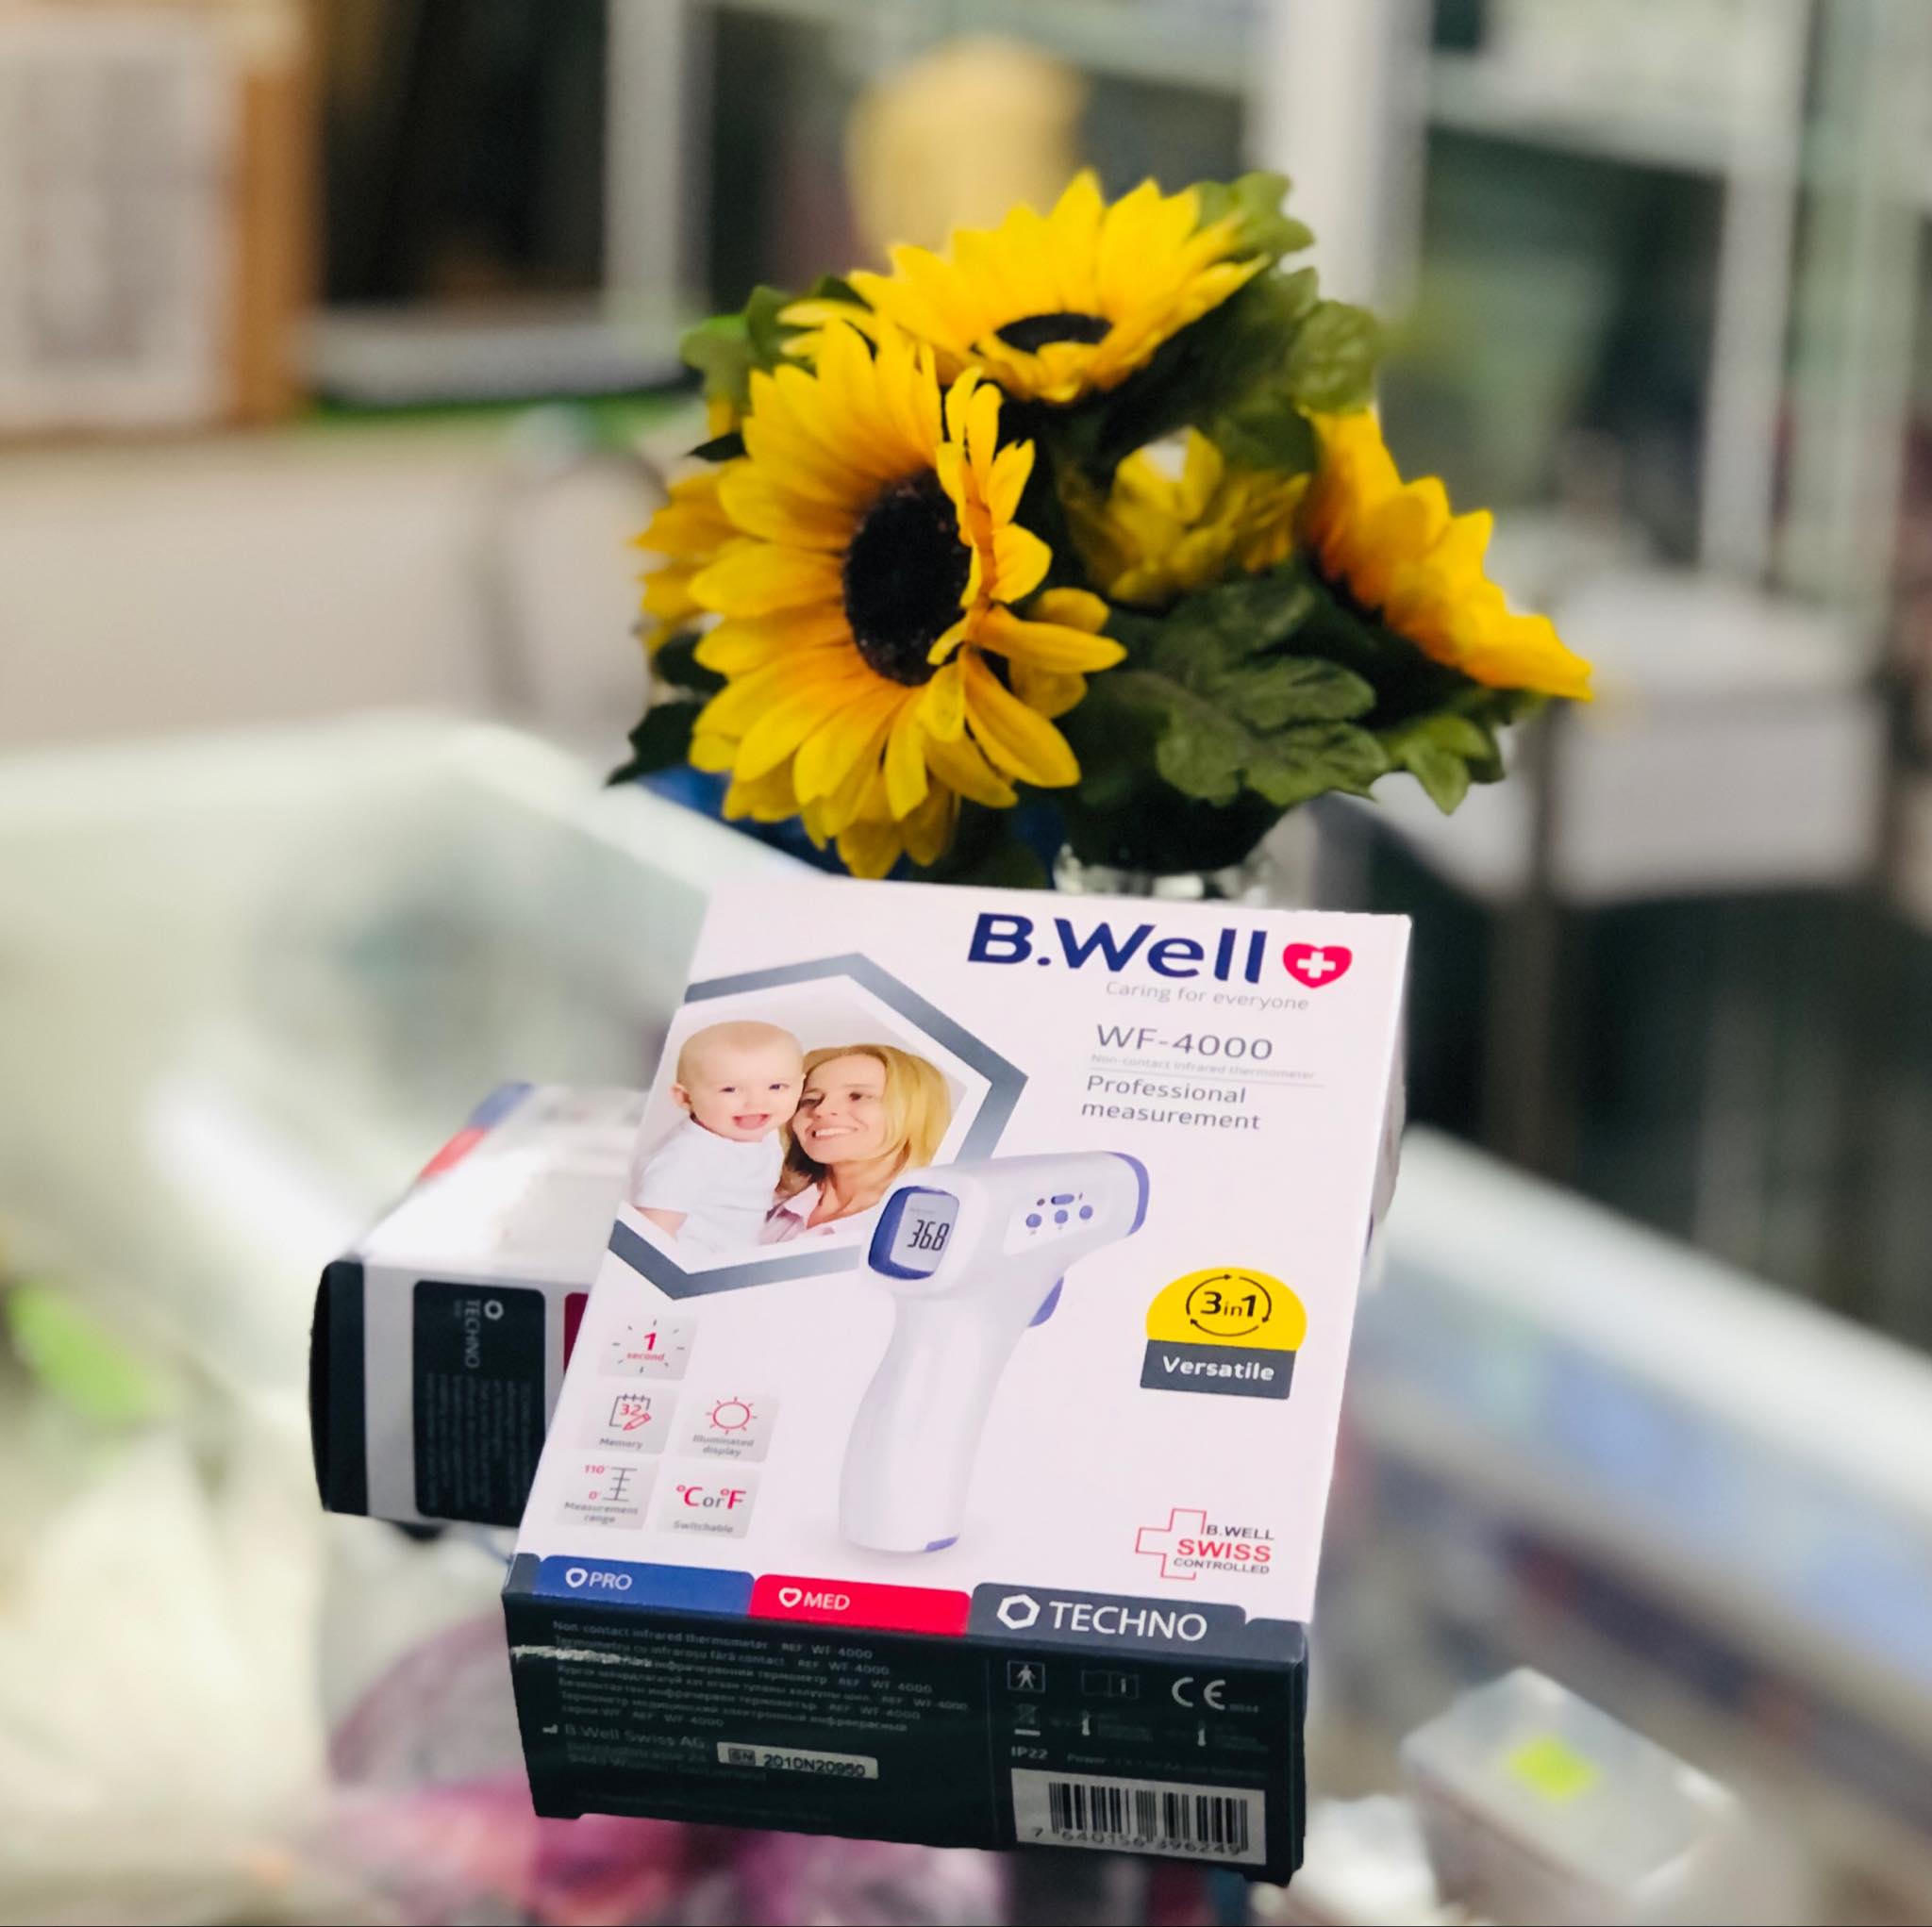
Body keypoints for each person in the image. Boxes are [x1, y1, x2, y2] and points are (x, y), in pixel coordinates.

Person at [631, 1020, 803, 1251]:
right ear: (685, 1098)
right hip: (692, 1263)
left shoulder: (767, 1133)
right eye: (730, 1089)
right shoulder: (686, 1157)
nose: (757, 1102)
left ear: (800, 1086)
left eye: (776, 1087)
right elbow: (649, 1236)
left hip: (738, 1252)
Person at [762, 1043, 952, 1242]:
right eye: (811, 1100)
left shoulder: (930, 1225)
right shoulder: (764, 1204)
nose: (821, 1110)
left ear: (914, 1111)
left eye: (857, 1096)